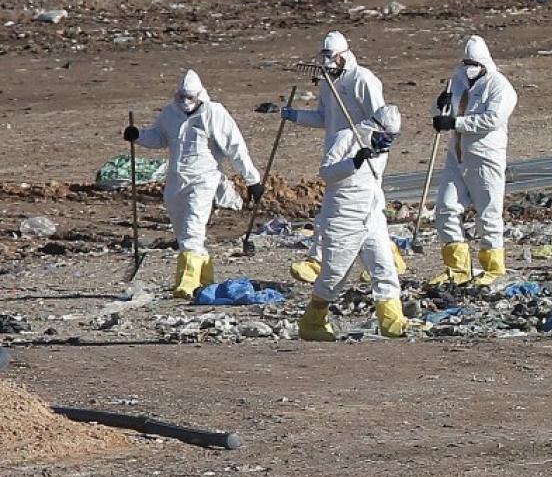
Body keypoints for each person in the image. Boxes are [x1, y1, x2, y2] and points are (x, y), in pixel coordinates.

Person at [125, 70, 261, 298]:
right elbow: (159, 137)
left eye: (190, 97)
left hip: (204, 179)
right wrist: (137, 135)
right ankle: (205, 280)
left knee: (192, 229)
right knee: (183, 232)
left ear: (200, 95)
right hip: (176, 181)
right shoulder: (171, 113)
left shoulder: (214, 113)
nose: (185, 102)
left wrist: (252, 179)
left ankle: (186, 284)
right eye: (181, 97)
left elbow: (236, 148)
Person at [286, 31, 395, 285]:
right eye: (323, 57)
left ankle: (318, 260)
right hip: (338, 152)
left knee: (347, 209)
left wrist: (372, 147)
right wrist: (292, 115)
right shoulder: (328, 82)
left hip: (366, 153)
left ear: (344, 55)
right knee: (361, 210)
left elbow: (381, 119)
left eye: (331, 57)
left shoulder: (363, 80)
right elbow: (324, 118)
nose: (327, 63)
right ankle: (388, 257)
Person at [299, 105, 409, 342]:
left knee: (384, 269)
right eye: (386, 136)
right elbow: (326, 172)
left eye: (393, 138)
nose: (388, 142)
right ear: (374, 128)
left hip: (372, 216)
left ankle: (392, 322)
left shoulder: (382, 150)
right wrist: (354, 162)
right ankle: (312, 322)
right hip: (343, 218)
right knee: (333, 277)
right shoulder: (346, 138)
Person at [430, 34, 518, 285]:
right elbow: (440, 115)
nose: (469, 68)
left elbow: (492, 120)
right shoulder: (457, 82)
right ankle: (457, 269)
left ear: (484, 63)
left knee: (488, 213)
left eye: (474, 63)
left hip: (485, 158)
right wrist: (440, 107)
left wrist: (455, 122)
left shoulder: (500, 87)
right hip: (456, 157)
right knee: (446, 207)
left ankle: (493, 267)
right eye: (466, 62)